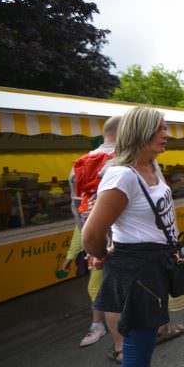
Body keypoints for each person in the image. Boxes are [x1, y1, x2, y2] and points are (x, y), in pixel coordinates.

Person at [82, 107, 184, 367]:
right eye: (161, 128)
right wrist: (101, 254)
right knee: (136, 349)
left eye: (166, 127)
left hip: (151, 265)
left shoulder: (150, 166)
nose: (166, 134)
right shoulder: (123, 175)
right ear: (140, 131)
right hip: (136, 270)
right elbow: (91, 235)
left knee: (143, 341)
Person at [63, 116, 122, 349]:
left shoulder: (78, 166)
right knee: (133, 292)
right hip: (124, 241)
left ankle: (106, 334)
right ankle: (125, 344)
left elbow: (78, 210)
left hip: (96, 240)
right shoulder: (126, 162)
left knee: (100, 287)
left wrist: (90, 247)